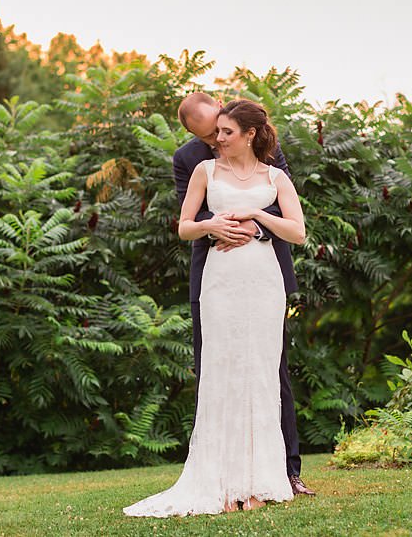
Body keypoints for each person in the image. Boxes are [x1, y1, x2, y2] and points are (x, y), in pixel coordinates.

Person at [123, 99, 308, 517]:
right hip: (218, 276)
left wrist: (256, 219)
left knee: (265, 373)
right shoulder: (196, 165)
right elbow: (185, 224)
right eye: (209, 136)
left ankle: (274, 476)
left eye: (222, 133)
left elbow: (296, 228)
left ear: (247, 133)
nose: (215, 141)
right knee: (218, 370)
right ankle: (221, 480)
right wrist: (211, 227)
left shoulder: (273, 169)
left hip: (263, 277)